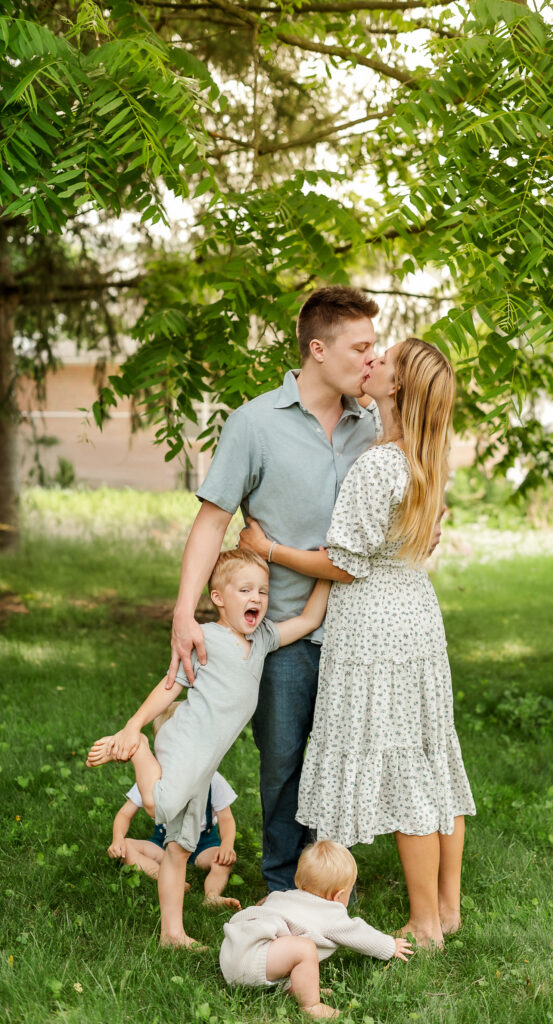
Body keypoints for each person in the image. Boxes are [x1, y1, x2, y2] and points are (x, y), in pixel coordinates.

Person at [238, 339, 476, 948]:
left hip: (376, 625)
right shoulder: (421, 456)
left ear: (398, 388)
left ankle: (425, 926)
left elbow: (343, 565)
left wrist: (265, 548)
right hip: (416, 615)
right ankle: (447, 906)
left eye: (384, 362)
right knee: (429, 755)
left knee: (402, 768)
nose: (371, 364)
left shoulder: (378, 464)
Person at [167, 286, 380, 893]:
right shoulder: (255, 423)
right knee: (284, 763)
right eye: (360, 346)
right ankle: (284, 888)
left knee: (345, 763)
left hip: (361, 629)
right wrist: (185, 613)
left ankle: (333, 884)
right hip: (280, 630)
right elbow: (212, 520)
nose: (371, 358)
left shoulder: (376, 425)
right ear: (318, 349)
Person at [87, 548, 330, 948]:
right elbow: (171, 685)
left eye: (263, 592)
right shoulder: (205, 638)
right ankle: (139, 749)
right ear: (218, 597)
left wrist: (327, 572)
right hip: (184, 744)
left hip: (205, 763)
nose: (257, 598)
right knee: (157, 807)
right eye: (245, 589)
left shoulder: (264, 637)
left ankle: (172, 933)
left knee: (179, 849)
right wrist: (135, 726)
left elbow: (309, 620)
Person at [219, 840, 413, 1019]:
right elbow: (360, 934)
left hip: (232, 953)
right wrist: (389, 945)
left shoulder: (281, 895)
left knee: (292, 946)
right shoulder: (331, 914)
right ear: (339, 895)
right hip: (254, 960)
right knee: (304, 949)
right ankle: (311, 1005)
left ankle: (295, 986)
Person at [108, 701, 242, 909]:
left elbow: (226, 819)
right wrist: (117, 839)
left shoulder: (211, 778)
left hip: (203, 845)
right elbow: (125, 815)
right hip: (163, 844)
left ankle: (212, 895)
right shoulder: (151, 779)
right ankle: (167, 877)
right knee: (126, 847)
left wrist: (227, 846)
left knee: (222, 861)